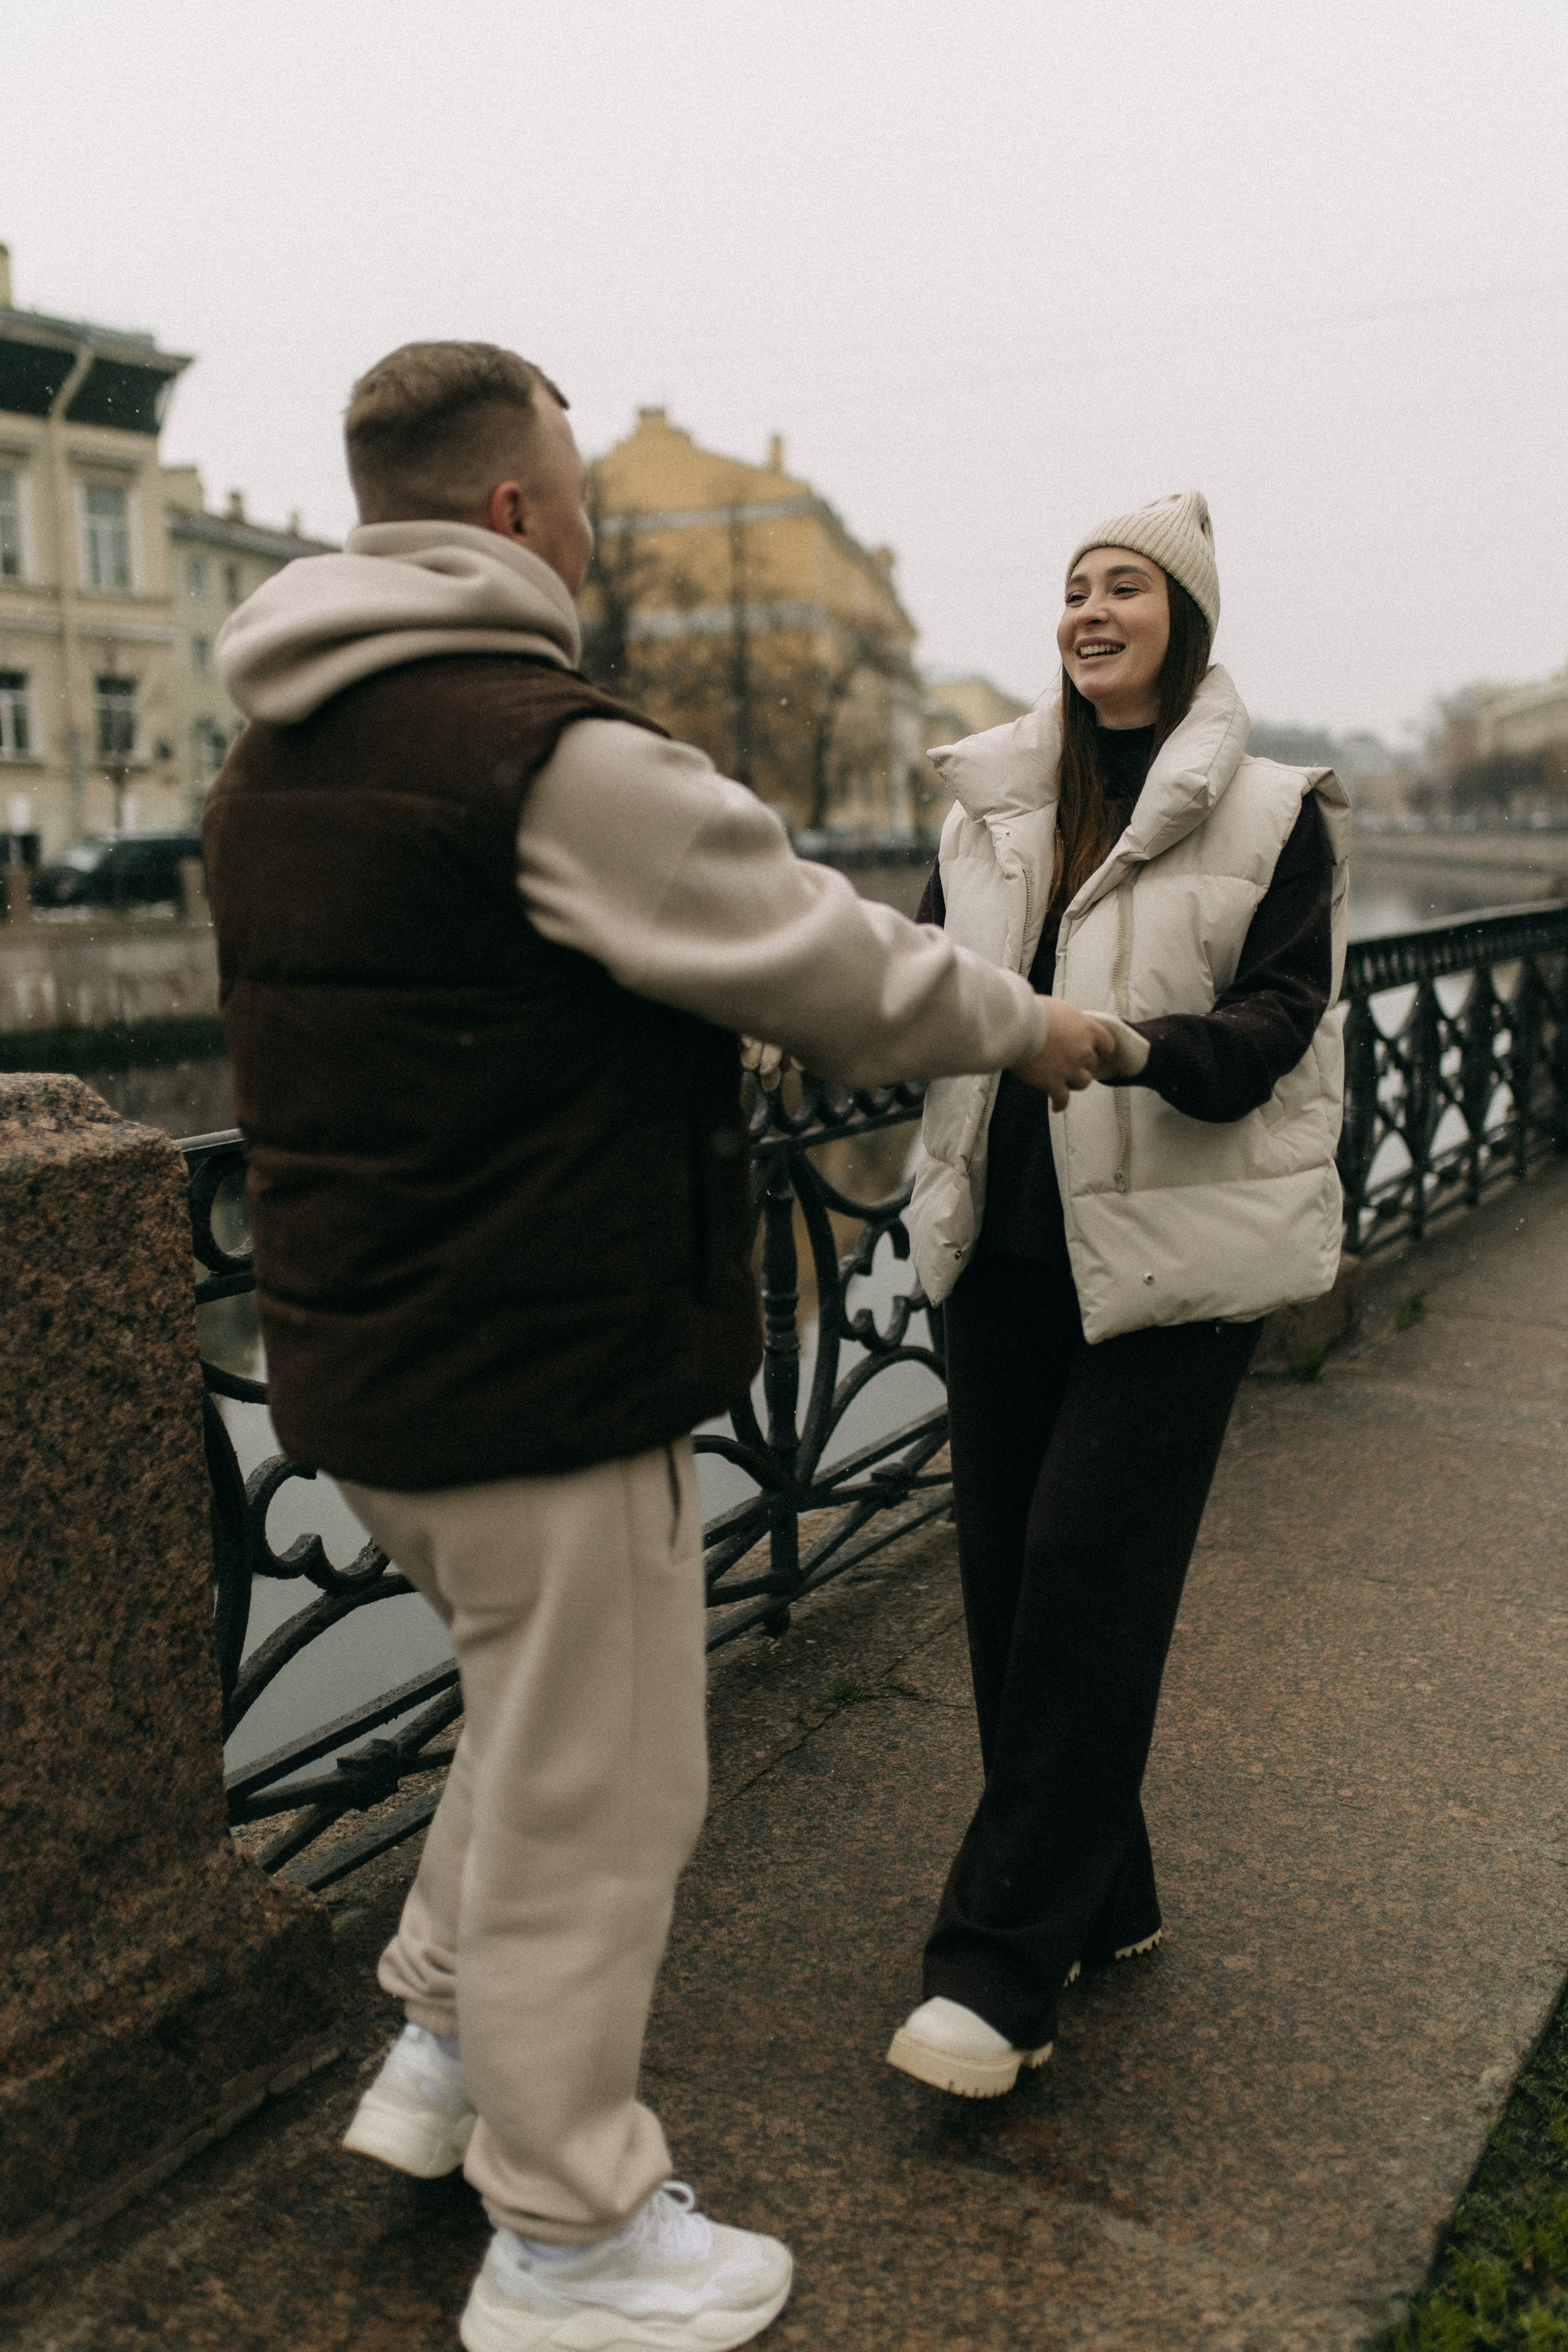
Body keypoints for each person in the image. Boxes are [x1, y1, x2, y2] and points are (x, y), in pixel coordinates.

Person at [204, 341, 1113, 2352]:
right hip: (543, 1357)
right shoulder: (539, 746)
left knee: (529, 1738)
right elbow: (816, 946)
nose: (601, 541)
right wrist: (1035, 1022)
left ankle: (442, 2060)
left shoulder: (275, 754)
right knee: (602, 1794)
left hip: (362, 1358)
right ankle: (573, 2237)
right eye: (585, 506)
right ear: (517, 514)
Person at [886, 490, 1349, 2100]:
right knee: (1017, 1594)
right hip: (1004, 1246)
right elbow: (928, 985)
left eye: (1126, 587)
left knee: (1087, 1574)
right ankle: (1111, 1895)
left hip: (1175, 1261)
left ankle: (997, 1972)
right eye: (1074, 587)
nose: (1089, 610)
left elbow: (1285, 1017)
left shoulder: (1278, 812)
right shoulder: (994, 808)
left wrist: (1143, 1046)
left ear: (1187, 620)